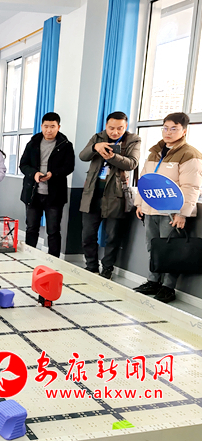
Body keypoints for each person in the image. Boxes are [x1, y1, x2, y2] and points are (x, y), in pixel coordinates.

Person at [133, 112, 202, 303]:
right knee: (153, 247)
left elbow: (191, 187)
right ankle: (153, 281)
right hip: (151, 209)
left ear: (184, 131)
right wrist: (140, 203)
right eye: (165, 128)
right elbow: (144, 180)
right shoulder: (155, 152)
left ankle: (168, 287)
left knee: (170, 250)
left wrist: (182, 213)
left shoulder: (189, 154)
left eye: (174, 128)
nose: (168, 132)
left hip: (172, 212)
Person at [79, 111, 140, 279]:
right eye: (111, 128)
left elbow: (132, 163)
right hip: (92, 193)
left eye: (120, 128)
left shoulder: (133, 140)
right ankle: (91, 266)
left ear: (125, 126)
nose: (115, 132)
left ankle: (107, 269)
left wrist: (112, 156)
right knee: (88, 234)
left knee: (112, 236)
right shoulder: (98, 137)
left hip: (116, 194)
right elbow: (83, 156)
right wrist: (95, 147)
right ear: (106, 126)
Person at [20, 112, 75, 258]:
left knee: (53, 230)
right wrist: (34, 174)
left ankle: (53, 260)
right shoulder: (32, 143)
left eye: (52, 126)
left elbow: (69, 167)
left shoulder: (65, 145)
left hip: (55, 195)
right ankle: (29, 257)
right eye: (46, 126)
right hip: (33, 193)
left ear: (58, 127)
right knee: (31, 228)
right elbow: (23, 165)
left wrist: (53, 174)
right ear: (41, 126)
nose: (48, 130)